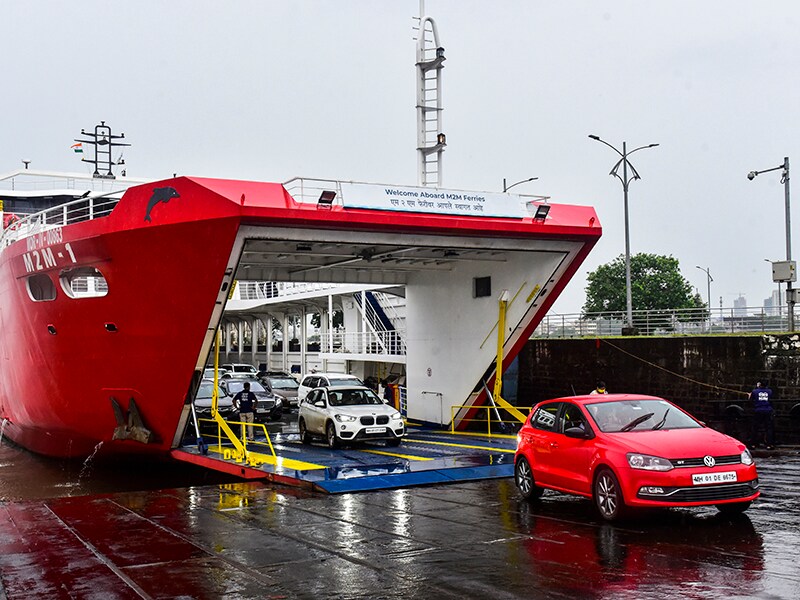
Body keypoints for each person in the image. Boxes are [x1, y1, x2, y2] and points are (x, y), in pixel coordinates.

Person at [749, 381, 775, 449]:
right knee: (768, 428)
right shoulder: (769, 391)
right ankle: (769, 444)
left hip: (758, 410)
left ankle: (753, 444)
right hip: (767, 410)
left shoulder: (755, 391)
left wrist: (750, 395)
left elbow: (751, 399)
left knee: (755, 427)